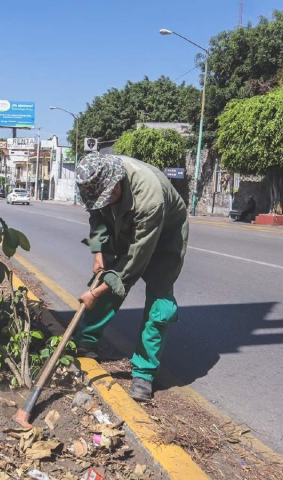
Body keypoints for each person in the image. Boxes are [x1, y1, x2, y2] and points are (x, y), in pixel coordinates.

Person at [74, 153, 189, 402]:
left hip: (164, 234)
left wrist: (96, 293)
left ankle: (144, 372)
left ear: (118, 182)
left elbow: (134, 264)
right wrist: (98, 251)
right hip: (124, 220)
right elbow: (97, 214)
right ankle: (86, 341)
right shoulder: (96, 177)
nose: (102, 202)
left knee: (160, 303)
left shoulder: (150, 198)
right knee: (106, 276)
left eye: (107, 197)